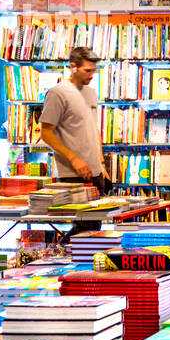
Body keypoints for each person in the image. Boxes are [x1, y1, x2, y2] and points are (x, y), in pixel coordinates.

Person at [39, 45, 110, 238]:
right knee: (83, 230)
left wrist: (101, 163)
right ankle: (65, 259)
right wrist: (75, 159)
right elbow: (46, 133)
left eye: (94, 71)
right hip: (73, 174)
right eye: (87, 70)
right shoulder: (57, 93)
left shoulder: (90, 92)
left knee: (94, 229)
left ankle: (83, 265)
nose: (91, 75)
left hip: (95, 172)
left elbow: (93, 130)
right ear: (73, 67)